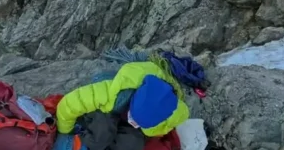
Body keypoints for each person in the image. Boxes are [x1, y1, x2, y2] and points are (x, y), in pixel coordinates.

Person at [56, 58, 189, 138]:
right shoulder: (109, 94)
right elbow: (69, 104)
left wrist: (155, 132)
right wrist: (65, 131)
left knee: (132, 142)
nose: (133, 123)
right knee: (103, 127)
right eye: (133, 119)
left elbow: (180, 115)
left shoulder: (172, 107)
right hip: (115, 96)